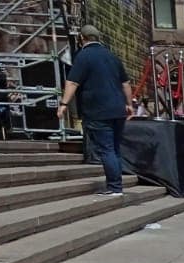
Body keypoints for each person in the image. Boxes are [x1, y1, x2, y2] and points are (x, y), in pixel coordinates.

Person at [56, 25, 130, 196]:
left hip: (98, 110)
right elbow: (125, 83)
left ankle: (114, 187)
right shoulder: (112, 57)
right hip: (118, 110)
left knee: (107, 149)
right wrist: (129, 104)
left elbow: (73, 82)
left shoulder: (83, 56)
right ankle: (116, 184)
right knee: (115, 149)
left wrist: (64, 104)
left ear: (82, 38)